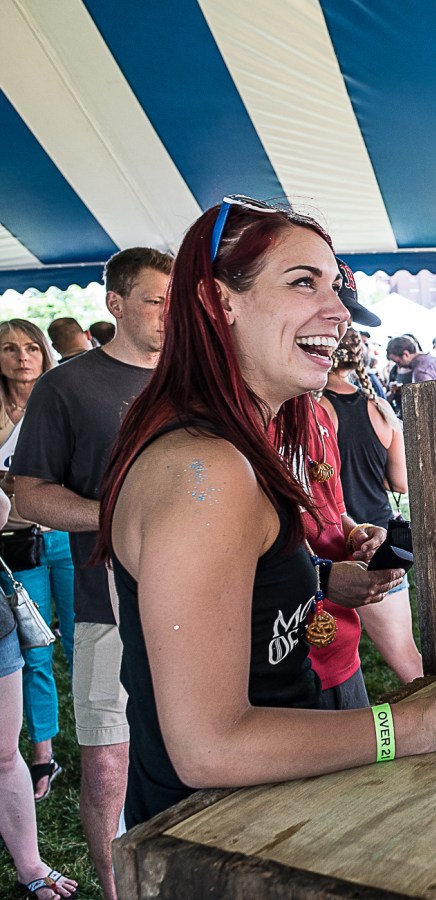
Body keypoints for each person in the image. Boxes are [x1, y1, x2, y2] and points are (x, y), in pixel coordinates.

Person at [95, 195, 436, 829]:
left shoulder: (231, 448)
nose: (338, 311)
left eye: (334, 286)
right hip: (216, 834)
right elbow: (208, 747)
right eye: (302, 282)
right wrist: (422, 723)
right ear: (217, 301)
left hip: (267, 811)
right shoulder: (205, 468)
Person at [12, 246, 171, 900]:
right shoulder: (67, 386)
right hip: (108, 604)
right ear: (116, 303)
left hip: (204, 603)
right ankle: (114, 890)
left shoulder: (197, 381)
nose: (169, 314)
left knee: (199, 746)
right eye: (156, 300)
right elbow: (30, 496)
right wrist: (114, 515)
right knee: (109, 763)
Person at [321, 328, 422, 683]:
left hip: (339, 541)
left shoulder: (317, 411)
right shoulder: (379, 407)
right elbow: (400, 482)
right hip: (382, 540)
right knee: (408, 658)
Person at [0, 320, 74, 802]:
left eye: (31, 347)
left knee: (86, 637)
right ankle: (42, 752)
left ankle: (105, 738)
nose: (22, 357)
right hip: (17, 542)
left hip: (68, 537)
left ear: (45, 352)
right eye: (9, 349)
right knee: (35, 650)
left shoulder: (62, 399)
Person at [0, 486, 78, 899]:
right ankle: (43, 757)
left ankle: (29, 864)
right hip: (20, 543)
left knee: (4, 752)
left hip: (59, 538)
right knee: (37, 662)